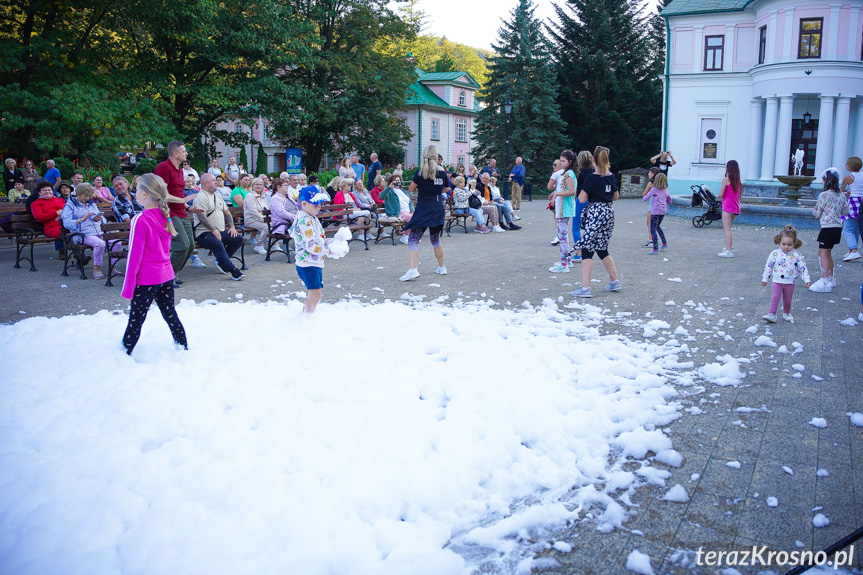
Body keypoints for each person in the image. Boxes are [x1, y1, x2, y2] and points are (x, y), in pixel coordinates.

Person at [120, 173, 187, 355]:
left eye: (136, 190)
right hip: (166, 276)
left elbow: (134, 256)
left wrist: (128, 287)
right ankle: (182, 346)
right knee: (170, 314)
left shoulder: (140, 219)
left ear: (143, 194)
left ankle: (124, 352)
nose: (134, 193)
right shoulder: (164, 216)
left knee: (136, 319)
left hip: (146, 280)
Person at [570, 147, 621, 297]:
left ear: (593, 159)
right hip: (608, 212)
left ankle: (585, 288)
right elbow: (615, 197)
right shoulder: (611, 176)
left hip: (595, 213)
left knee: (586, 249)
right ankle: (614, 281)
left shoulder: (592, 177)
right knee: (602, 247)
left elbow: (582, 199)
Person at [153, 140, 204, 287]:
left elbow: (178, 193)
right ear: (175, 154)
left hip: (181, 212)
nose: (186, 153)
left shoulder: (180, 170)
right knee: (182, 245)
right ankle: (164, 276)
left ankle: (171, 273)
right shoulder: (163, 168)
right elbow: (160, 194)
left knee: (190, 246)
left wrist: (188, 207)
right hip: (167, 213)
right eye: (183, 151)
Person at [399, 145, 448, 281]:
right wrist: (436, 189)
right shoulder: (442, 173)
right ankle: (442, 267)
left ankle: (413, 270)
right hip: (438, 208)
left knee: (413, 238)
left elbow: (411, 188)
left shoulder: (420, 173)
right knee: (435, 239)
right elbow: (446, 188)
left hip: (424, 208)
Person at [61, 183, 122, 280]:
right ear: (78, 194)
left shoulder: (91, 203)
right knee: (100, 244)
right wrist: (81, 219)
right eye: (85, 196)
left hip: (98, 232)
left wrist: (99, 218)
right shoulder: (69, 206)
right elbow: (66, 223)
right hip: (83, 234)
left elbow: (102, 219)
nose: (87, 198)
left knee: (116, 242)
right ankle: (96, 269)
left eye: (89, 196)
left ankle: (112, 267)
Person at [193, 173, 245, 280]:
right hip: (204, 233)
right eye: (213, 180)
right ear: (205, 183)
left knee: (238, 239)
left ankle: (220, 261)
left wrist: (232, 227)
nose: (216, 182)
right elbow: (202, 218)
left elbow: (226, 212)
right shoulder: (201, 197)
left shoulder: (217, 196)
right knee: (218, 243)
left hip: (220, 231)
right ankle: (234, 271)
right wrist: (213, 230)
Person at [289, 186, 332, 313]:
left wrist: (331, 242)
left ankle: (306, 315)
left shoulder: (311, 217)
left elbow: (318, 238)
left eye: (320, 205)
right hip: (308, 263)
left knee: (312, 294)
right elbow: (311, 246)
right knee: (316, 295)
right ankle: (306, 318)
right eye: (315, 205)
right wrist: (329, 251)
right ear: (304, 203)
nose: (319, 208)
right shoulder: (305, 220)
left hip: (313, 262)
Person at [809, 167, 849, 293]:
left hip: (827, 227)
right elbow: (845, 211)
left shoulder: (824, 195)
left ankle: (824, 279)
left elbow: (817, 212)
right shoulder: (841, 195)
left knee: (822, 254)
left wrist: (815, 211)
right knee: (828, 253)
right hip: (837, 227)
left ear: (827, 181)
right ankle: (831, 278)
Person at [761, 225, 811, 323]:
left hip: (790, 282)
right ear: (779, 242)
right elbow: (769, 266)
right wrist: (765, 278)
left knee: (788, 300)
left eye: (789, 244)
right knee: (775, 298)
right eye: (783, 244)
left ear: (794, 244)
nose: (786, 247)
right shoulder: (775, 254)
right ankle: (772, 314)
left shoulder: (797, 255)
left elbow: (802, 268)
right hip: (777, 281)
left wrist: (806, 279)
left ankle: (787, 313)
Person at [546, 151, 578, 272]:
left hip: (564, 208)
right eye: (561, 161)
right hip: (562, 207)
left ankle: (564, 264)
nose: (561, 163)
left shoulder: (569, 174)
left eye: (563, 161)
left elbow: (572, 191)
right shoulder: (566, 173)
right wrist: (555, 193)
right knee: (562, 235)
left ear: (570, 162)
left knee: (562, 236)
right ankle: (567, 260)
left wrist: (557, 193)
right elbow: (563, 188)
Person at [717, 160, 742, 257]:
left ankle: (728, 250)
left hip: (727, 207)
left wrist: (718, 196)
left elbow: (721, 193)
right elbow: (739, 195)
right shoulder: (738, 180)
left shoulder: (726, 179)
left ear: (728, 168)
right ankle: (729, 247)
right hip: (735, 207)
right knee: (729, 228)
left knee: (726, 229)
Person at [379, 174, 414, 244]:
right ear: (391, 182)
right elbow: (381, 196)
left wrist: (412, 210)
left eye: (398, 180)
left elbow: (410, 202)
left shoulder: (403, 191)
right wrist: (389, 187)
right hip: (398, 214)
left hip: (408, 213)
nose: (397, 182)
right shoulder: (390, 191)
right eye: (395, 181)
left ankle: (412, 236)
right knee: (412, 218)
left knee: (419, 216)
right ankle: (405, 236)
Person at [642, 173, 672, 254]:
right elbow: (670, 200)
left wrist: (644, 198)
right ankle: (664, 243)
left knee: (652, 229)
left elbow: (646, 197)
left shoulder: (655, 189)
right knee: (658, 226)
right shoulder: (666, 190)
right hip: (663, 211)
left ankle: (655, 249)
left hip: (655, 211)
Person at [840, 156, 862, 262]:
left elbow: (839, 192)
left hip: (853, 203)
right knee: (857, 229)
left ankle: (853, 251)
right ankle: (851, 250)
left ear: (851, 165)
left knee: (847, 229)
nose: (846, 165)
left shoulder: (848, 177)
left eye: (847, 163)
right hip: (862, 203)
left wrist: (846, 194)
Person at [244, 177, 270, 254]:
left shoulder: (263, 196)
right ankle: (259, 245)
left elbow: (267, 208)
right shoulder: (250, 196)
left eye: (261, 185)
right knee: (266, 227)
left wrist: (270, 219)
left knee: (275, 224)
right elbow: (253, 211)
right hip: (251, 219)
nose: (259, 186)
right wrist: (265, 220)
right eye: (256, 184)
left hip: (262, 218)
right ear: (252, 185)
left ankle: (274, 244)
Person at [641, 167, 661, 246]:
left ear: (653, 174)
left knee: (649, 223)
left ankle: (651, 240)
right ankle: (654, 237)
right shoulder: (659, 183)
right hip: (657, 205)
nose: (648, 174)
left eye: (649, 172)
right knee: (652, 223)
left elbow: (644, 194)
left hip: (652, 205)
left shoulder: (650, 183)